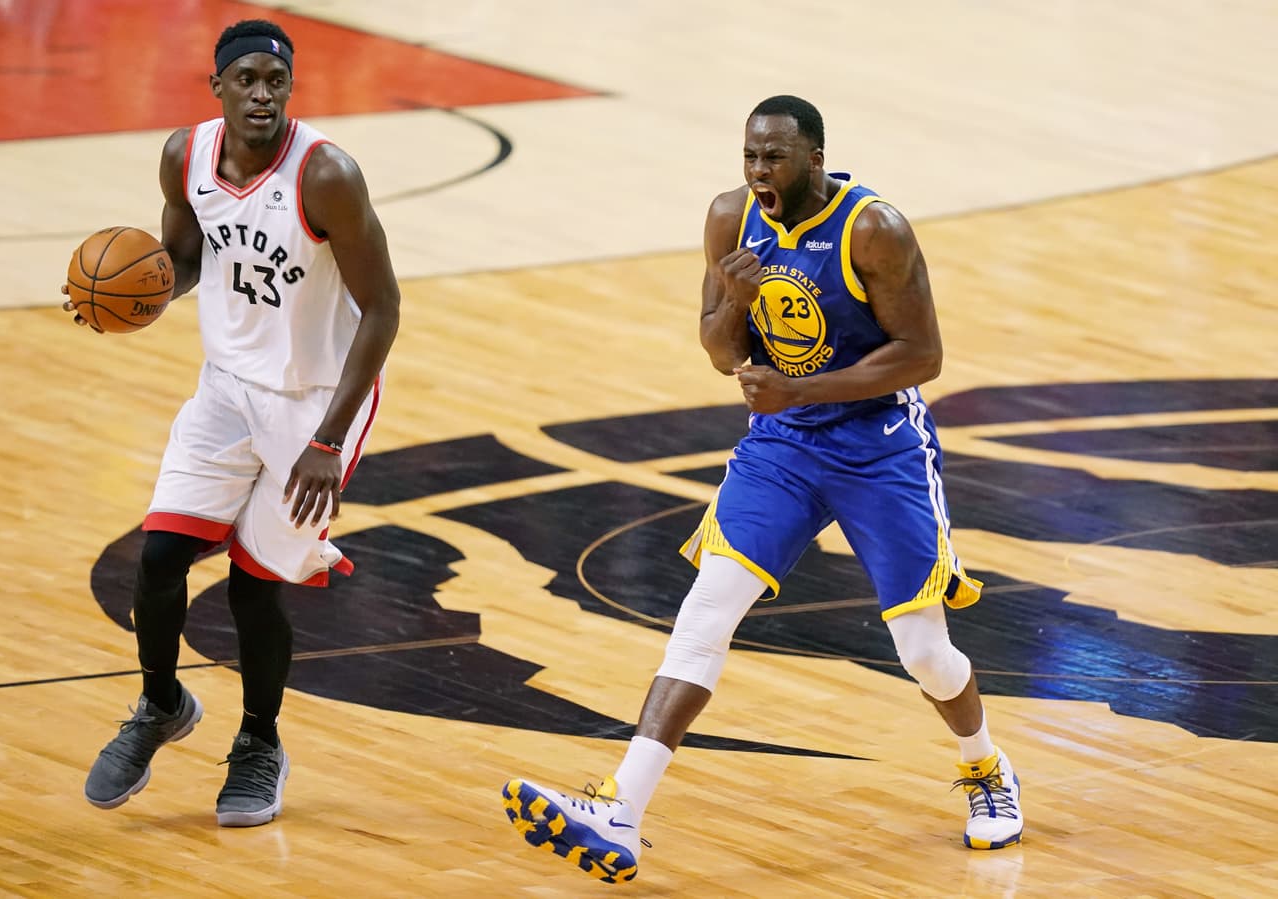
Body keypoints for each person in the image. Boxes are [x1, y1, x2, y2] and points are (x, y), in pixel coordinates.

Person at [501, 95, 1023, 882]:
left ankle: (985, 766)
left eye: (773, 158)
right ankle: (619, 809)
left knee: (923, 650)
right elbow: (719, 350)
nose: (757, 172)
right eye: (749, 156)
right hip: (784, 444)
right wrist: (737, 297)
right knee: (707, 607)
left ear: (815, 159)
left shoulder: (874, 229)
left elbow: (923, 356)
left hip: (879, 446)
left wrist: (804, 392)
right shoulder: (729, 219)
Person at [68, 19, 400, 827]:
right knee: (158, 558)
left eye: (276, 82)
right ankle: (159, 704)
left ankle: (258, 742)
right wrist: (130, 298)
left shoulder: (325, 174)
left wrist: (328, 440)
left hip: (314, 399)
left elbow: (383, 307)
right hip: (225, 388)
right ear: (216, 85)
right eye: (247, 79)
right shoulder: (185, 156)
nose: (263, 95)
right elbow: (182, 258)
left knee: (256, 591)